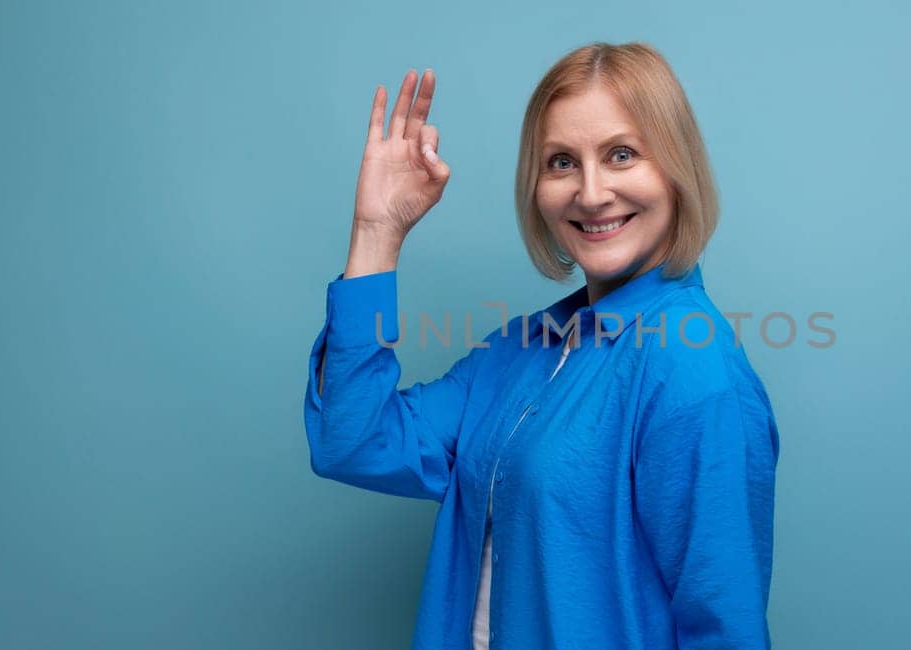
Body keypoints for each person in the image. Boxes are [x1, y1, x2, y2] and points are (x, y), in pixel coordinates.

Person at [304, 41, 779, 649]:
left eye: (622, 154)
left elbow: (725, 628)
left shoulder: (693, 369)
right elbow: (352, 440)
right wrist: (376, 233)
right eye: (560, 162)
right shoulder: (524, 349)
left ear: (676, 168)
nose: (590, 192)